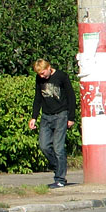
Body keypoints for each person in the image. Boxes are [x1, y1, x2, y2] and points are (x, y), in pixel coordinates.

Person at [28, 59, 76, 189]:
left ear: (49, 67)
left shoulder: (61, 76)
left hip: (61, 115)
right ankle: (58, 167)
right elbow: (37, 98)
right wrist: (34, 117)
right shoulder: (39, 79)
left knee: (58, 148)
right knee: (43, 146)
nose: (42, 76)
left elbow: (71, 96)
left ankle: (60, 178)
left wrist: (71, 117)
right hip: (46, 116)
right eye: (40, 75)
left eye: (43, 73)